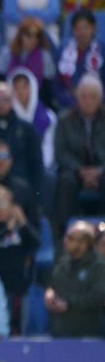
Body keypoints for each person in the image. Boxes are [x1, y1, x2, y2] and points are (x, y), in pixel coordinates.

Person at [0, 184, 41, 335]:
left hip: (16, 288)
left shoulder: (21, 227)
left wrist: (22, 221)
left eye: (4, 202)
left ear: (12, 205)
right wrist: (6, 230)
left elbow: (36, 243)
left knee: (16, 331)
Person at [53, 74, 105, 239]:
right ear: (77, 97)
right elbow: (60, 152)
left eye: (93, 97)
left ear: (100, 99)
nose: (88, 100)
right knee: (66, 181)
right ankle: (66, 234)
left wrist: (99, 171)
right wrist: (81, 170)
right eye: (84, 96)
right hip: (74, 170)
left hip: (101, 171)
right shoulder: (64, 120)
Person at [45, 220, 105, 337]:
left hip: (87, 334)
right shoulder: (63, 262)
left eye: (71, 238)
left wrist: (68, 304)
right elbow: (53, 283)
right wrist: (50, 292)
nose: (65, 241)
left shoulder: (99, 266)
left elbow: (97, 297)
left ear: (83, 244)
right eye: (66, 236)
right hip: (59, 332)